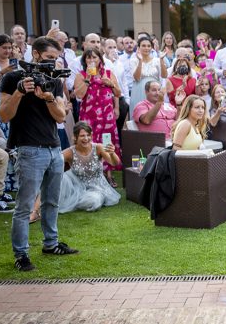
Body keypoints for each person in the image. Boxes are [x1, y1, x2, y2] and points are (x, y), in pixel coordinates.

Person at [0, 37, 79, 272]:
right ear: (35, 54)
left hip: (54, 148)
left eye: (56, 59)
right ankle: (21, 253)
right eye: (49, 58)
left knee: (52, 201)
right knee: (24, 206)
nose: (53, 63)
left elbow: (60, 116)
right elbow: (4, 115)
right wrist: (20, 92)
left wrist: (48, 98)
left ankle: (51, 244)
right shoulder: (12, 78)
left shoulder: (53, 81)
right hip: (28, 148)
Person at [72, 49, 122, 188]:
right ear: (84, 61)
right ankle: (90, 175)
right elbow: (80, 95)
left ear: (100, 58)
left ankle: (108, 175)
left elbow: (118, 93)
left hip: (106, 116)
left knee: (107, 142)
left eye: (94, 57)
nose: (91, 60)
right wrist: (87, 79)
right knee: (89, 142)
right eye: (88, 58)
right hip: (89, 116)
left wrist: (110, 84)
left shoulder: (109, 74)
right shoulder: (81, 75)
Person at [58, 121, 121, 213]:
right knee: (61, 177)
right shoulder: (70, 152)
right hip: (76, 186)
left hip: (98, 188)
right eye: (82, 136)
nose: (86, 138)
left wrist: (112, 153)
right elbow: (53, 162)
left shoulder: (98, 148)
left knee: (93, 200)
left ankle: (73, 201)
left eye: (88, 135)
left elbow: (115, 163)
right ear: (75, 137)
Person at [129, 36, 166, 114]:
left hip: (155, 91)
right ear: (138, 48)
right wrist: (140, 61)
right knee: (140, 114)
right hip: (139, 90)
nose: (146, 48)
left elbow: (164, 75)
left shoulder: (157, 60)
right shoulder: (133, 61)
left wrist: (161, 60)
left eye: (149, 46)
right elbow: (137, 78)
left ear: (151, 48)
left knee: (155, 114)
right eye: (143, 45)